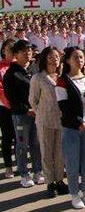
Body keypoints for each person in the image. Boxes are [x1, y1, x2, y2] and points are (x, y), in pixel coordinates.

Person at [3, 39, 43, 188]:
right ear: (16, 54)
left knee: (36, 143)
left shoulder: (35, 69)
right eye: (23, 51)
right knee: (22, 144)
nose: (28, 53)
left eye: (29, 50)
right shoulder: (11, 73)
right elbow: (11, 97)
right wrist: (27, 109)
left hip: (37, 114)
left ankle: (38, 171)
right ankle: (24, 174)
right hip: (21, 115)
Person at [57, 46, 85, 209]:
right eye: (75, 57)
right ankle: (74, 193)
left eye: (81, 57)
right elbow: (63, 106)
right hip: (72, 128)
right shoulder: (62, 81)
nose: (79, 60)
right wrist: (79, 121)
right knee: (72, 162)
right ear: (68, 60)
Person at [29, 46, 66, 198]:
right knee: (46, 152)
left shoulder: (63, 76)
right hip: (45, 120)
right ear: (44, 59)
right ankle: (50, 182)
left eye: (56, 56)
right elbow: (33, 100)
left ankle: (59, 180)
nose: (54, 59)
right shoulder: (38, 78)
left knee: (59, 153)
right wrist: (43, 112)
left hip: (61, 120)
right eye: (50, 57)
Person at [0, 38, 16, 179]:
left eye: (13, 50)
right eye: (8, 50)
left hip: (20, 107)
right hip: (4, 107)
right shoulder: (1, 67)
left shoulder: (19, 66)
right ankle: (8, 166)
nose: (10, 52)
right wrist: (7, 101)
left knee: (20, 137)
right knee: (7, 136)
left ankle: (21, 165)